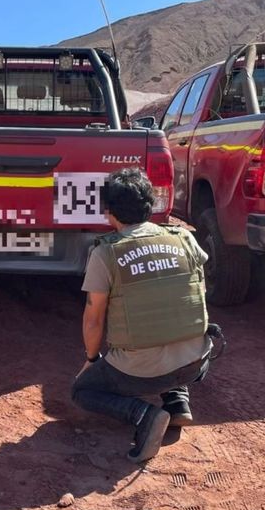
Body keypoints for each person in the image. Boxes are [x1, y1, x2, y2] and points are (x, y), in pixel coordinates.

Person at [72, 167, 213, 462]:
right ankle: (177, 401)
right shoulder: (184, 239)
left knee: (82, 390)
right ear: (150, 204)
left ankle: (144, 415)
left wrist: (92, 360)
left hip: (140, 374)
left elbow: (93, 319)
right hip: (196, 362)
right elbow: (196, 292)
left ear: (108, 212)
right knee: (168, 318)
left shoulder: (106, 254)